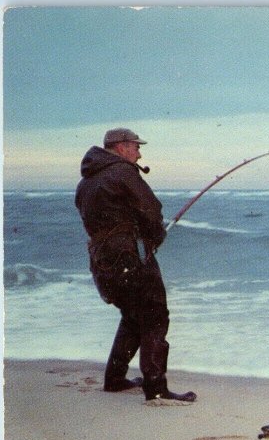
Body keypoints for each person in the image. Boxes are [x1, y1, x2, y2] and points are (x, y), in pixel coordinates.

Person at [75, 128, 196, 405]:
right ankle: (155, 388)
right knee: (154, 315)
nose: (139, 153)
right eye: (135, 147)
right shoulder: (123, 173)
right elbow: (151, 208)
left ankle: (115, 379)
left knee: (132, 315)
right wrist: (155, 237)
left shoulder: (85, 183)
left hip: (102, 261)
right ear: (120, 147)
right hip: (130, 257)